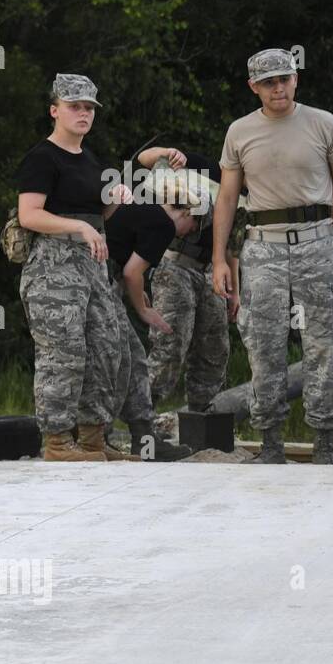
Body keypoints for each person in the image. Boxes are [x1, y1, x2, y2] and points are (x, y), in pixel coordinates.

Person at [211, 48, 333, 465]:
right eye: (268, 82)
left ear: (296, 80)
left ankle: (326, 445)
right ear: (253, 87)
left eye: (284, 79)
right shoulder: (240, 132)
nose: (278, 87)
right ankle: (271, 443)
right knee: (263, 344)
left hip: (317, 242)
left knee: (324, 344)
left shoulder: (323, 123)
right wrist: (220, 258)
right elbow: (226, 198)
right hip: (263, 246)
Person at [15, 73, 124, 462]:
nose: (83, 113)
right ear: (54, 111)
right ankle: (58, 441)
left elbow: (97, 215)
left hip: (92, 266)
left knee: (104, 348)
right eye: (74, 106)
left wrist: (113, 198)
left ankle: (94, 439)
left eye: (89, 107)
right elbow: (29, 215)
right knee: (63, 351)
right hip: (53, 266)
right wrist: (76, 226)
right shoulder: (42, 157)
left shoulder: (90, 159)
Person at [134, 144, 238, 417]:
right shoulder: (203, 167)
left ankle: (203, 417)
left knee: (214, 348)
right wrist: (167, 153)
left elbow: (232, 245)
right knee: (170, 345)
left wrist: (235, 291)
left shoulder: (246, 189)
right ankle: (141, 416)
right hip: (176, 265)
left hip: (210, 272)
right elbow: (143, 160)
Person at [103, 182, 201, 461]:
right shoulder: (163, 225)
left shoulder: (143, 210)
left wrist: (139, 294)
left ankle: (143, 439)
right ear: (183, 212)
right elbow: (134, 272)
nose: (192, 230)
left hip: (103, 281)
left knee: (132, 358)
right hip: (100, 286)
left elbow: (125, 261)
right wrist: (145, 312)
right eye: (194, 221)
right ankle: (99, 436)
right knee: (119, 359)